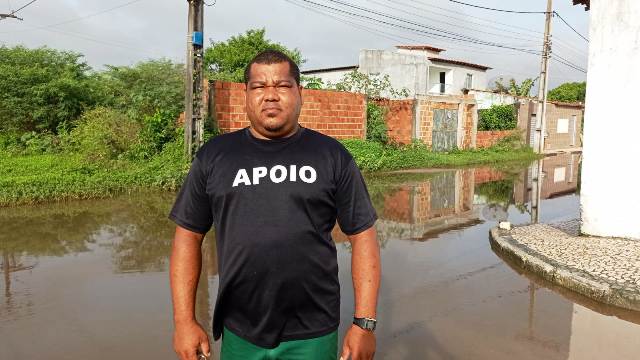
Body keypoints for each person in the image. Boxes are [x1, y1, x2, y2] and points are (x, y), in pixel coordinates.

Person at [168, 49, 381, 360]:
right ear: (246, 94)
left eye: (282, 86)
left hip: (314, 329)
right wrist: (184, 321)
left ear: (299, 92)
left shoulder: (332, 156)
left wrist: (364, 324)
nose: (270, 96)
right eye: (259, 86)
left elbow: (363, 237)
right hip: (240, 329)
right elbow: (188, 236)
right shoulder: (215, 157)